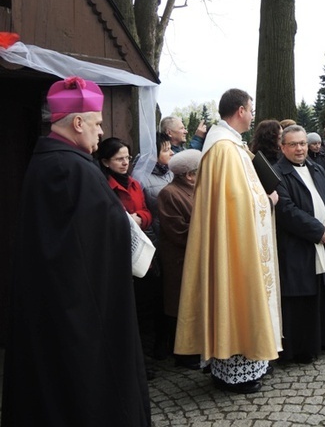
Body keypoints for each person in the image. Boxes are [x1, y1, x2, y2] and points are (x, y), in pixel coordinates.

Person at [2, 76, 150, 426]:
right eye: (97, 124)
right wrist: (122, 224)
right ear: (78, 122)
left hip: (59, 301)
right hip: (80, 309)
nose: (101, 133)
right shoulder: (71, 168)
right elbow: (92, 240)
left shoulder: (51, 161)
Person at [175, 88, 281, 395]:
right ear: (239, 110)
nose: (252, 113)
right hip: (233, 242)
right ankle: (235, 373)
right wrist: (268, 198)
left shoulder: (231, 145)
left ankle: (245, 365)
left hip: (237, 236)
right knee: (235, 296)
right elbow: (236, 199)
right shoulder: (223, 149)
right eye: (250, 108)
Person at [274, 125, 325, 364]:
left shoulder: (317, 167)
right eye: (293, 144)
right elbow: (286, 211)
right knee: (303, 294)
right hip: (300, 245)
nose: (300, 149)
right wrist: (318, 231)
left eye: (303, 143)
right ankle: (303, 348)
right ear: (283, 147)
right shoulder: (277, 174)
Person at [96, 137, 165, 370]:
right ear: (106, 162)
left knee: (148, 305)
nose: (125, 163)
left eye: (127, 157)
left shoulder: (134, 184)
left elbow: (146, 211)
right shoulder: (103, 185)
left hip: (142, 250)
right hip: (119, 253)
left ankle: (149, 354)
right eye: (119, 159)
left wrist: (139, 219)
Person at [156, 149, 202, 369]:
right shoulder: (170, 193)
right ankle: (183, 353)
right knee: (181, 306)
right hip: (180, 260)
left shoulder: (198, 190)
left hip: (197, 257)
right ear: (189, 175)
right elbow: (178, 231)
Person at [139, 131, 175, 243]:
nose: (172, 153)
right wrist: (153, 241)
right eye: (166, 150)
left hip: (175, 232)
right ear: (152, 154)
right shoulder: (141, 179)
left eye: (170, 148)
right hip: (158, 236)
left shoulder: (173, 171)